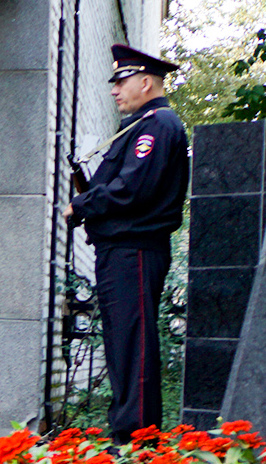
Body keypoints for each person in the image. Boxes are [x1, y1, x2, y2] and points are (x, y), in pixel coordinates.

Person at [65, 44, 188, 443]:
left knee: (131, 342)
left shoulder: (158, 125)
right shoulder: (143, 124)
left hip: (134, 248)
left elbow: (133, 188)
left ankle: (136, 439)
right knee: (122, 343)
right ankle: (130, 432)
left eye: (122, 81)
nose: (115, 90)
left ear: (146, 81)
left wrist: (81, 203)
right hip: (121, 250)